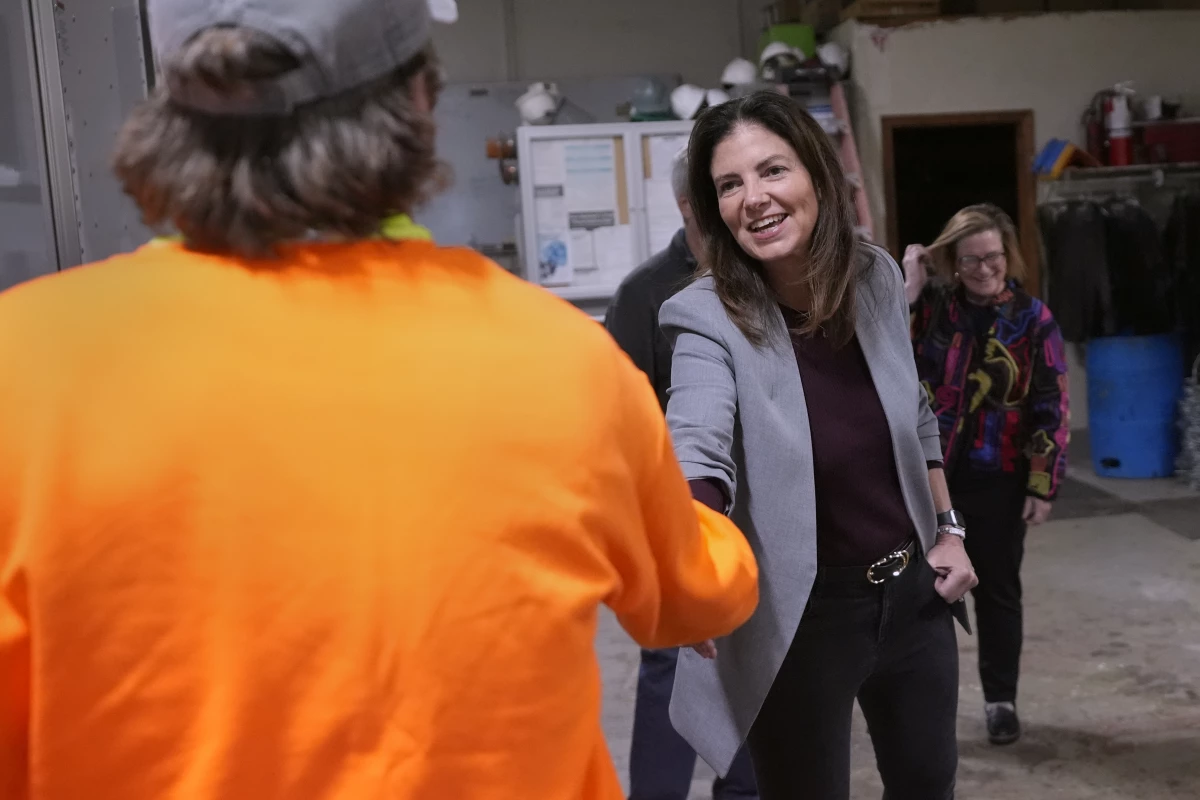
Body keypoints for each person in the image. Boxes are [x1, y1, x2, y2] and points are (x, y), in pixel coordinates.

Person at [0, 2, 761, 799]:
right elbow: (696, 593)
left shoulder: (24, 365)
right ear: (420, 104)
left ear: (170, 117)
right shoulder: (557, 361)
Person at [659, 90, 978, 800]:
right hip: (801, 615)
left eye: (772, 171)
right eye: (730, 185)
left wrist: (949, 531)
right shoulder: (705, 318)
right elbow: (698, 448)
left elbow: (916, 413)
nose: (754, 198)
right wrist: (689, 559)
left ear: (816, 176)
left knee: (930, 784)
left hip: (912, 595)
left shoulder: (875, 278)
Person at [605, 150, 759, 800]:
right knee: (671, 665)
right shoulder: (643, 294)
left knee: (751, 665)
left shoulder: (757, 280)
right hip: (672, 517)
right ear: (688, 208)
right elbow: (615, 420)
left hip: (755, 517)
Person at [903, 204, 1069, 746]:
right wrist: (910, 284)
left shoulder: (1033, 318)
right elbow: (882, 354)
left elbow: (1052, 404)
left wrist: (1042, 485)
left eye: (992, 257)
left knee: (997, 594)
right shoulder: (931, 310)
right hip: (932, 478)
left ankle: (1001, 700)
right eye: (970, 259)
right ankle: (928, 706)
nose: (982, 268)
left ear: (1008, 256)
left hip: (1000, 477)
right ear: (954, 260)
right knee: (928, 597)